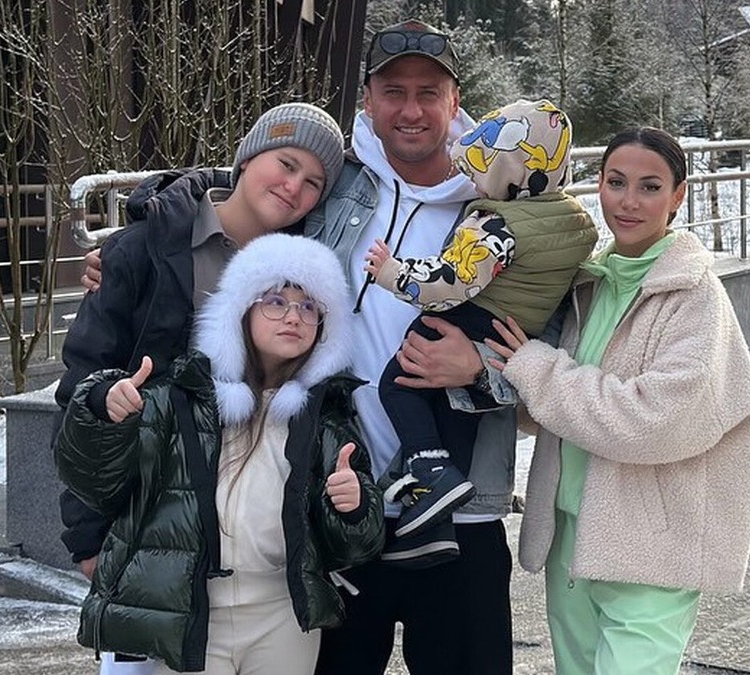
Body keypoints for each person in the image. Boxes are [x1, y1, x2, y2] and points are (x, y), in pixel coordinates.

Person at [80, 20, 523, 675]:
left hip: (458, 514)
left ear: (456, 101)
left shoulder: (502, 205)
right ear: (367, 100)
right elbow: (243, 188)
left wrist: (478, 369)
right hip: (329, 503)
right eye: (393, 91)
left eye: (428, 93)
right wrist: (138, 243)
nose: (410, 109)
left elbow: (548, 354)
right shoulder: (337, 183)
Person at [54, 103, 346, 673]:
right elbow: (82, 390)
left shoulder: (307, 271)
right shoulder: (145, 248)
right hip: (153, 543)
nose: (294, 187)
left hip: (260, 561)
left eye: (314, 182)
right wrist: (87, 536)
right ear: (246, 160)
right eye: (286, 164)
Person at [485, 128, 750, 674]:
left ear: (678, 196)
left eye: (650, 186)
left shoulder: (695, 298)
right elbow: (552, 407)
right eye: (616, 182)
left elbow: (652, 421)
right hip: (573, 533)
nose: (629, 201)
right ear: (598, 185)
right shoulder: (588, 284)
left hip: (652, 544)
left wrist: (534, 368)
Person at [55, 233, 386, 674]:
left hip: (282, 617)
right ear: (241, 310)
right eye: (276, 301)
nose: (293, 317)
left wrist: (354, 507)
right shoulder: (182, 398)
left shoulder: (327, 419)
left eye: (310, 307)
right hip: (192, 612)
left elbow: (356, 544)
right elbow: (95, 478)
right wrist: (103, 409)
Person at [363, 98, 596, 541]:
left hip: (471, 318)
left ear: (506, 172)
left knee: (399, 383)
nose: (473, 182)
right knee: (457, 407)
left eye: (480, 172)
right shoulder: (575, 221)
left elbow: (453, 280)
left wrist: (393, 273)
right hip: (513, 331)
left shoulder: (497, 225)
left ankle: (430, 469)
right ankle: (440, 505)